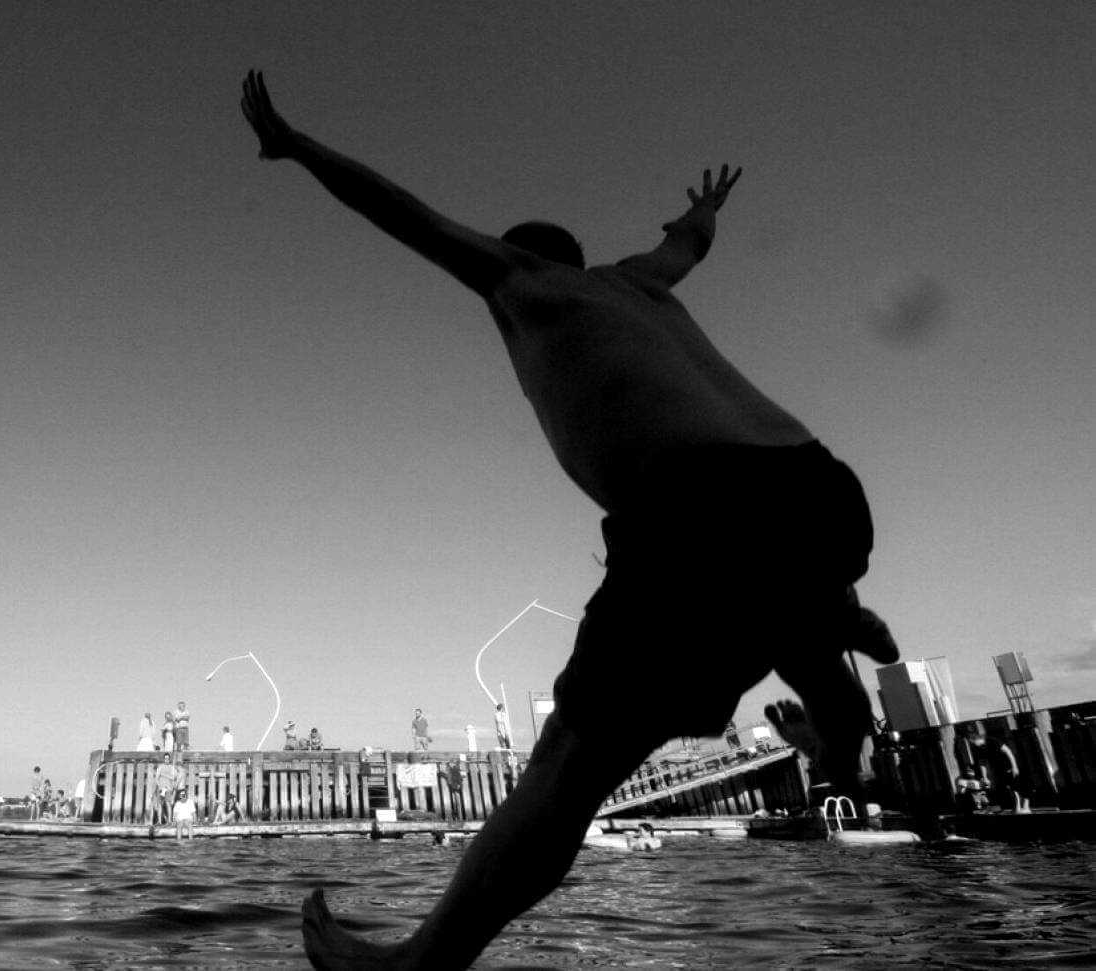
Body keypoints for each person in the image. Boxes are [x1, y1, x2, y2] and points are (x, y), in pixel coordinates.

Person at [240, 70, 899, 969]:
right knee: (791, 621)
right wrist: (703, 214)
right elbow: (685, 248)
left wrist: (297, 144)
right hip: (817, 488)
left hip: (697, 512)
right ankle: (838, 697)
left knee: (569, 763)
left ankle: (414, 965)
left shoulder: (517, 279)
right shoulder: (636, 284)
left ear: (514, 261)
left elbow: (406, 214)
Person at [153, 752, 182, 825]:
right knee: (160, 804)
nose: (166, 760)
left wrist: (165, 776)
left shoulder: (172, 768)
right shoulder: (160, 767)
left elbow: (176, 777)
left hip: (168, 788)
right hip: (161, 788)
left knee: (168, 804)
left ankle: (169, 821)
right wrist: (159, 786)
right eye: (165, 759)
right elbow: (156, 778)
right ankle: (159, 821)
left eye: (168, 759)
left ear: (169, 759)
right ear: (164, 759)